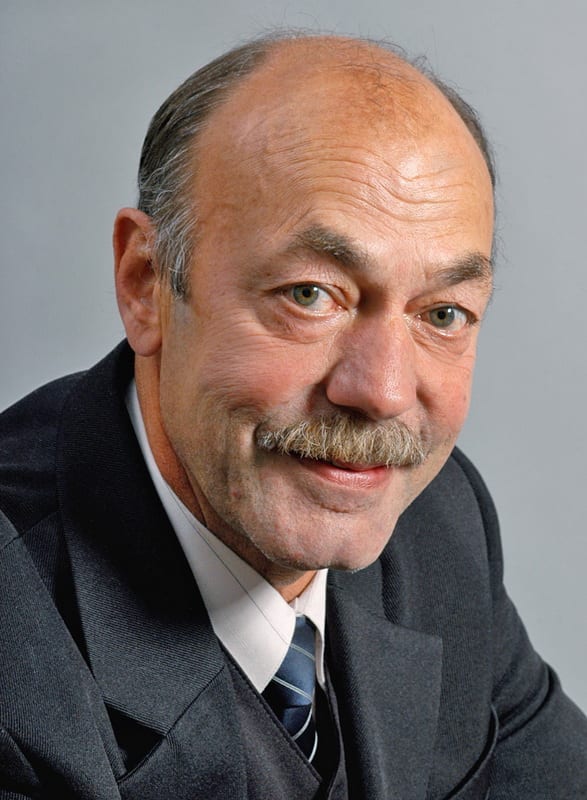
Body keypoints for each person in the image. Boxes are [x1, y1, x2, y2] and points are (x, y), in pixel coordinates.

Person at [0, 32, 585, 800]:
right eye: (310, 295)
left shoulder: (438, 526)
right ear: (146, 283)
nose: (382, 393)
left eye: (441, 313)